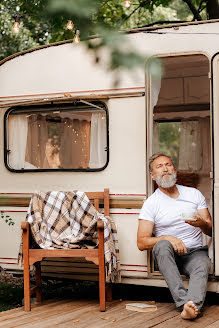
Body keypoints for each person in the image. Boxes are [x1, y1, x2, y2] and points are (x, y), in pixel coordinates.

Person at [137, 152, 212, 320]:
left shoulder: (194, 194)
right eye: (159, 166)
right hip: (169, 256)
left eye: (168, 165)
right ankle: (184, 302)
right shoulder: (151, 203)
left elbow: (211, 229)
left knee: (202, 262)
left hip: (194, 252)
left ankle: (190, 308)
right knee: (162, 246)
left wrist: (202, 224)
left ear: (175, 170)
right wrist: (168, 238)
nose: (165, 169)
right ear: (153, 176)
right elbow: (141, 242)